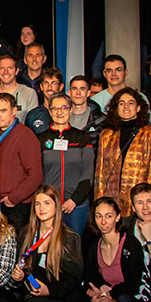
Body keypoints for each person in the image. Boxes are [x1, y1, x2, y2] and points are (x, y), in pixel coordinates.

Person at [1, 186, 83, 302]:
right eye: (37, 204)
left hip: (58, 299)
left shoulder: (69, 238)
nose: (42, 208)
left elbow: (73, 279)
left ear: (56, 206)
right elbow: (24, 270)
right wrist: (20, 277)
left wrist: (50, 291)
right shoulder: (26, 234)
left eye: (47, 203)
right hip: (33, 297)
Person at [77, 197, 148, 302]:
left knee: (124, 300)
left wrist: (111, 296)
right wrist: (94, 296)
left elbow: (133, 284)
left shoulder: (130, 244)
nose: (103, 221)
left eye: (108, 216)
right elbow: (89, 280)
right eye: (99, 216)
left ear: (117, 217)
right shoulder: (94, 248)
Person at [94, 87, 151, 216]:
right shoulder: (106, 135)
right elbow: (100, 175)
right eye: (121, 103)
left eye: (131, 103)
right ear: (116, 108)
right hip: (111, 205)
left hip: (139, 204)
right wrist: (99, 204)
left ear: (138, 108)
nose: (126, 106)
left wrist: (149, 206)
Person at [38, 93, 95, 235]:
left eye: (64, 107)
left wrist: (74, 200)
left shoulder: (82, 137)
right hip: (49, 206)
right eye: (55, 108)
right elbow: (38, 174)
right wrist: (46, 201)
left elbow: (88, 173)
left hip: (76, 206)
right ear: (50, 112)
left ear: (70, 110)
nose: (59, 112)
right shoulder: (41, 139)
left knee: (75, 248)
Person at [0, 93, 43, 233]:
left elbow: (35, 175)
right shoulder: (0, 135)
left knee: (18, 248)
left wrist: (13, 198)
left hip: (17, 206)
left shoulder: (25, 135)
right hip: (0, 203)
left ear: (13, 111)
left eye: (3, 110)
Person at [0, 55, 39, 122]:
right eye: (2, 68)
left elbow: (34, 122)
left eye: (10, 68)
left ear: (17, 71)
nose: (5, 71)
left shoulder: (29, 93)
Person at [68, 74, 106, 146]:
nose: (78, 93)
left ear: (88, 93)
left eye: (82, 89)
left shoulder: (100, 120)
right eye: (74, 89)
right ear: (69, 93)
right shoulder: (60, 118)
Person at [24, 67, 65, 133]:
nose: (49, 87)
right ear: (41, 87)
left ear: (61, 87)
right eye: (46, 83)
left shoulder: (66, 113)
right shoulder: (33, 115)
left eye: (53, 83)